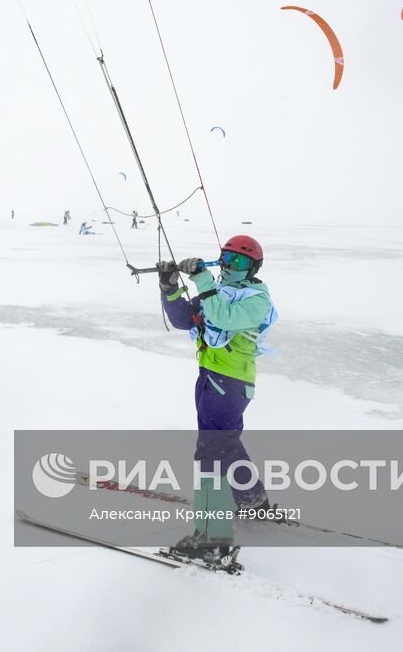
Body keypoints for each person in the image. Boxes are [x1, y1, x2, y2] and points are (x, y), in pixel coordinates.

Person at [157, 235, 278, 564]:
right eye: (226, 258)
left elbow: (223, 318)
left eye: (240, 262)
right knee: (225, 445)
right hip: (211, 380)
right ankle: (253, 500)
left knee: (211, 454)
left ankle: (214, 538)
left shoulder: (255, 299)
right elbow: (184, 319)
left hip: (230, 384)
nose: (230, 266)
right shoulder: (216, 292)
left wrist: (201, 277)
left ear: (253, 268)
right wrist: (170, 287)